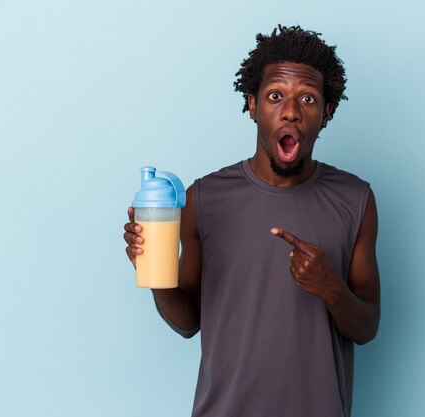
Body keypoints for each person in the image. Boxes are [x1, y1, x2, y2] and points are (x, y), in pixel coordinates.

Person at [124, 25, 380, 417]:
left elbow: (367, 327)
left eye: (308, 98)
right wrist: (154, 275)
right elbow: (188, 322)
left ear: (326, 111)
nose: (291, 111)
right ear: (252, 104)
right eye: (275, 96)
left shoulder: (355, 199)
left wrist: (331, 288)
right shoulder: (204, 198)